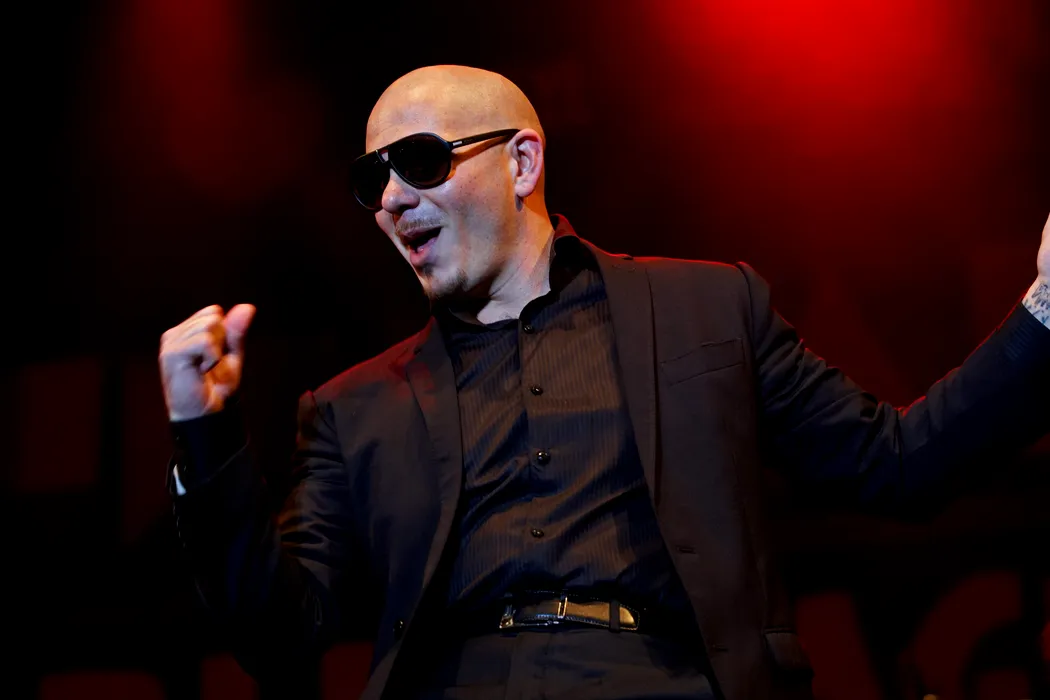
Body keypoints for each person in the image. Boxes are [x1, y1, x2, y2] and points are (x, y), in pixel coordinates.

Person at [158, 65, 1050, 700]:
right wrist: (204, 436)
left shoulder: (706, 309)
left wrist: (1044, 312)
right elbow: (281, 632)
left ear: (521, 163)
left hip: (667, 678)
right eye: (371, 178)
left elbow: (899, 462)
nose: (391, 198)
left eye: (422, 161)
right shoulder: (355, 408)